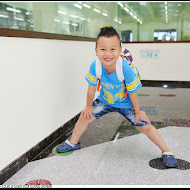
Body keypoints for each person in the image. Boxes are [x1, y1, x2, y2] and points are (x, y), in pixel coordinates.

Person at [56, 26, 177, 168]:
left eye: (112, 49)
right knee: (84, 117)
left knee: (144, 126)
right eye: (103, 49)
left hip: (126, 102)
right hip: (105, 100)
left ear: (120, 50)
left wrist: (138, 112)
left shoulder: (124, 68)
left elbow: (132, 92)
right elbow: (91, 88)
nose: (108, 54)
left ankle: (166, 151)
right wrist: (88, 106)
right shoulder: (95, 66)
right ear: (96, 51)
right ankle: (73, 143)